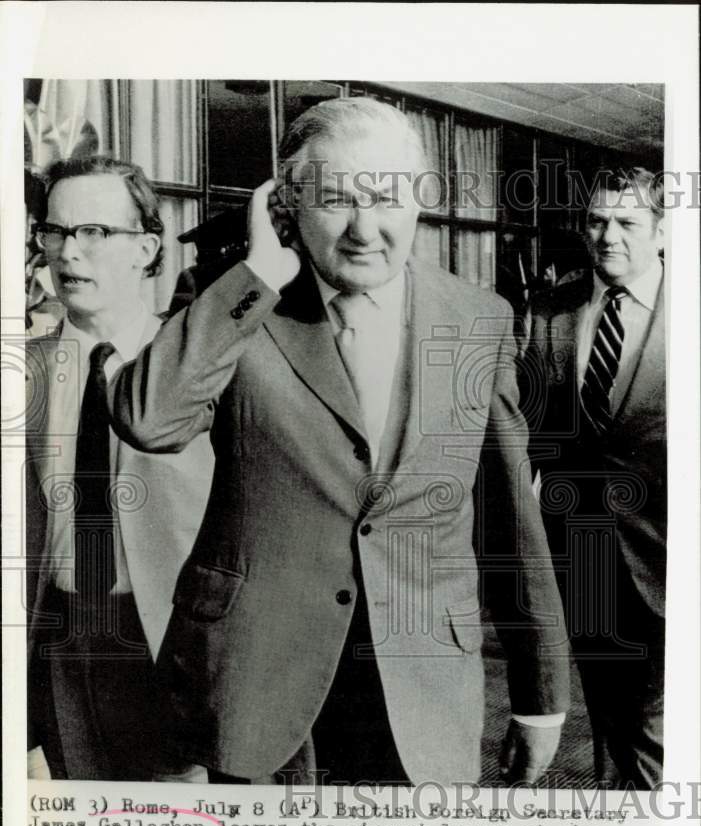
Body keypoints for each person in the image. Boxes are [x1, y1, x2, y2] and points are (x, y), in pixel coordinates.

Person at [110, 98, 571, 786]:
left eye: (386, 198)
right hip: (252, 680)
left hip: (420, 682)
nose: (363, 230)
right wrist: (260, 275)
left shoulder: (477, 319)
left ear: (419, 199)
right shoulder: (235, 300)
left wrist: (540, 698)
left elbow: (509, 520)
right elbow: (149, 420)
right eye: (335, 200)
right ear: (287, 205)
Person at [26, 155, 213, 781]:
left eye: (94, 233)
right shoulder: (20, 369)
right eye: (55, 231)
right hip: (58, 633)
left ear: (146, 247)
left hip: (171, 641)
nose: (68, 252)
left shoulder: (198, 365)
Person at [522, 166, 665, 789]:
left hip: (667, 566)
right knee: (608, 716)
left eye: (628, 222)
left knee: (654, 727)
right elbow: (532, 426)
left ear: (663, 233)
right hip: (581, 561)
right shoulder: (554, 307)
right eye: (597, 221)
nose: (608, 236)